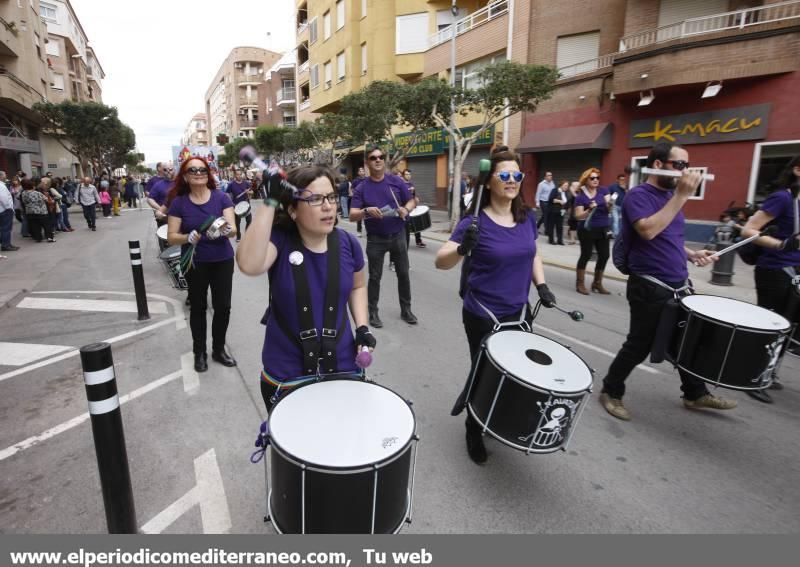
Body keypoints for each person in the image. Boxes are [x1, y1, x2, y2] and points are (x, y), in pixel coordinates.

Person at [435, 146, 557, 464]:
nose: (512, 180)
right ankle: (473, 429)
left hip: (518, 313)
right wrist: (463, 248)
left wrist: (541, 285)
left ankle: (497, 419)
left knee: (516, 373)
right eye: (504, 175)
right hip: (482, 313)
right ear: (489, 181)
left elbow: (533, 253)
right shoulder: (474, 221)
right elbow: (441, 262)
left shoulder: (526, 217)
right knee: (487, 373)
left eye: (517, 175)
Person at [598, 142, 737, 421]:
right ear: (658, 165)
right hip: (649, 285)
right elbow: (648, 231)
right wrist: (682, 196)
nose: (686, 171)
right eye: (680, 165)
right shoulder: (639, 195)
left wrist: (692, 254)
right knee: (640, 344)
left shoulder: (672, 197)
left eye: (688, 165)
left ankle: (695, 393)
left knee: (688, 340)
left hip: (679, 282)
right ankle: (611, 390)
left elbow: (669, 237)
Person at [237, 165, 375, 412]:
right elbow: (249, 264)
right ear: (292, 210)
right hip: (286, 372)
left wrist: (362, 326)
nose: (328, 206)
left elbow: (358, 285)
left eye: (331, 197)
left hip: (343, 364)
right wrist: (269, 201)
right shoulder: (279, 240)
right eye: (315, 199)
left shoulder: (349, 243)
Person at [167, 157, 237, 373]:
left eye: (202, 169)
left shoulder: (221, 198)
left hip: (222, 260)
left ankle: (218, 349)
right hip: (195, 262)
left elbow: (233, 230)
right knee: (197, 308)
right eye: (193, 170)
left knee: (223, 307)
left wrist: (225, 229)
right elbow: (171, 236)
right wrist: (187, 238)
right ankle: (200, 353)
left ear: (208, 173)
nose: (198, 172)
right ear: (185, 177)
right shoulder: (179, 202)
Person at [740, 155, 800, 403]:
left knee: (788, 327)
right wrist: (781, 244)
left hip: (794, 272)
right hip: (774, 270)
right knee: (771, 326)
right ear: (797, 170)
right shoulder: (782, 198)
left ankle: (767, 373)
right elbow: (749, 230)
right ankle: (751, 376)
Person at [350, 147, 418, 328]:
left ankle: (406, 310)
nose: (378, 160)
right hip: (375, 239)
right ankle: (372, 312)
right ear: (367, 162)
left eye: (381, 157)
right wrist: (365, 211)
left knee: (403, 274)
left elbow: (412, 200)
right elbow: (352, 214)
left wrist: (406, 209)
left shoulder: (396, 181)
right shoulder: (362, 187)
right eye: (373, 158)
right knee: (375, 277)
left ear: (385, 160)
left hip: (398, 235)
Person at [573, 168, 612, 295]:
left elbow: (609, 209)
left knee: (605, 255)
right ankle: (580, 283)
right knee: (586, 254)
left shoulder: (603, 190)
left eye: (597, 178)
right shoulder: (580, 197)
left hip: (603, 227)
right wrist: (589, 210)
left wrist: (610, 205)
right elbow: (578, 216)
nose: (596, 180)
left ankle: (597, 283)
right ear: (586, 180)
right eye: (592, 178)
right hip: (587, 228)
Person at [20, 178, 51, 243]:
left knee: (35, 226)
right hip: (41, 211)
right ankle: (49, 237)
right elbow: (46, 199)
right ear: (32, 186)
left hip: (30, 212)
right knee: (46, 225)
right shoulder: (37, 193)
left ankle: (38, 238)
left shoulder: (23, 193)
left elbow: (23, 201)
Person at [402, 169, 426, 249]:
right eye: (406, 174)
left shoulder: (411, 184)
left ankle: (418, 241)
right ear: (403, 175)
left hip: (413, 206)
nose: (408, 176)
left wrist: (416, 198)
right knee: (406, 226)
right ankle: (404, 241)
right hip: (406, 208)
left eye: (409, 174)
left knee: (417, 223)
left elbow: (414, 195)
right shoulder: (401, 184)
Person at [227, 167, 252, 242]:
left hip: (246, 204)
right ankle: (238, 236)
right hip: (236, 206)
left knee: (249, 220)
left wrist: (249, 193)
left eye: (240, 174)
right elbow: (227, 194)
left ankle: (247, 234)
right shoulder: (231, 184)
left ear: (242, 175)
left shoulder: (246, 183)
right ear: (235, 175)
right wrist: (231, 203)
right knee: (237, 223)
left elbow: (252, 192)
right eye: (237, 175)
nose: (239, 176)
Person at [0, 171, 19, 252]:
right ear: (1, 176)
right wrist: (9, 208)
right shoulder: (1, 186)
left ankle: (6, 243)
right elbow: (3, 198)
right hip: (5, 210)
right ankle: (6, 245)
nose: (6, 176)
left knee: (3, 228)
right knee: (6, 228)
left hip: (2, 209)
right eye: (5, 175)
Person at [546, 180, 568, 245]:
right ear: (561, 185)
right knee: (551, 226)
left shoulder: (566, 193)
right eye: (565, 185)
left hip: (561, 212)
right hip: (553, 211)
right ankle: (551, 240)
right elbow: (550, 199)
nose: (566, 187)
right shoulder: (555, 190)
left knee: (560, 226)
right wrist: (559, 201)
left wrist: (565, 209)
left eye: (567, 186)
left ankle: (560, 240)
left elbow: (567, 202)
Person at [608, 174, 627, 238]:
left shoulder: (626, 187)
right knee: (615, 220)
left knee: (621, 221)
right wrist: (610, 203)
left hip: (623, 207)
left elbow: (629, 196)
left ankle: (619, 234)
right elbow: (609, 195)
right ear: (617, 180)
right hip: (615, 206)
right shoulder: (612, 186)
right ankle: (616, 235)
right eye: (621, 179)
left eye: (624, 180)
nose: (622, 181)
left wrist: (625, 190)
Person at [351, 166, 367, 237]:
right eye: (360, 171)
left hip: (367, 200)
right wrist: (356, 194)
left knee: (367, 216)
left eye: (362, 171)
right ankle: (359, 231)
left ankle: (368, 230)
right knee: (359, 216)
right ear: (358, 173)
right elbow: (352, 189)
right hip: (359, 201)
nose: (361, 172)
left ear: (364, 172)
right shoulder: (355, 181)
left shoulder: (367, 180)